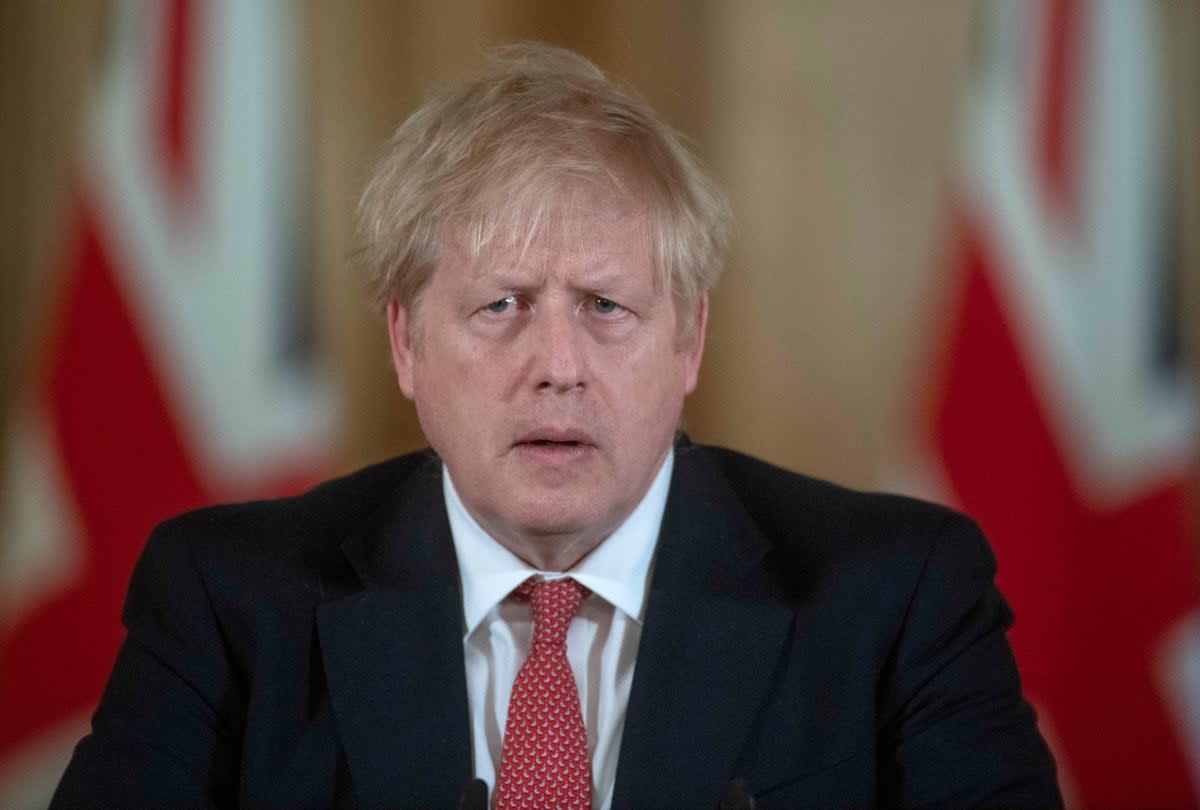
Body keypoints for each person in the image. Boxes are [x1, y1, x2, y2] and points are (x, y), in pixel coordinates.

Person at [52, 43, 1061, 809]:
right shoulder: (231, 605)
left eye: (606, 307)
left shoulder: (897, 598)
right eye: (501, 307)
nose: (559, 367)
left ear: (689, 341)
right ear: (405, 343)